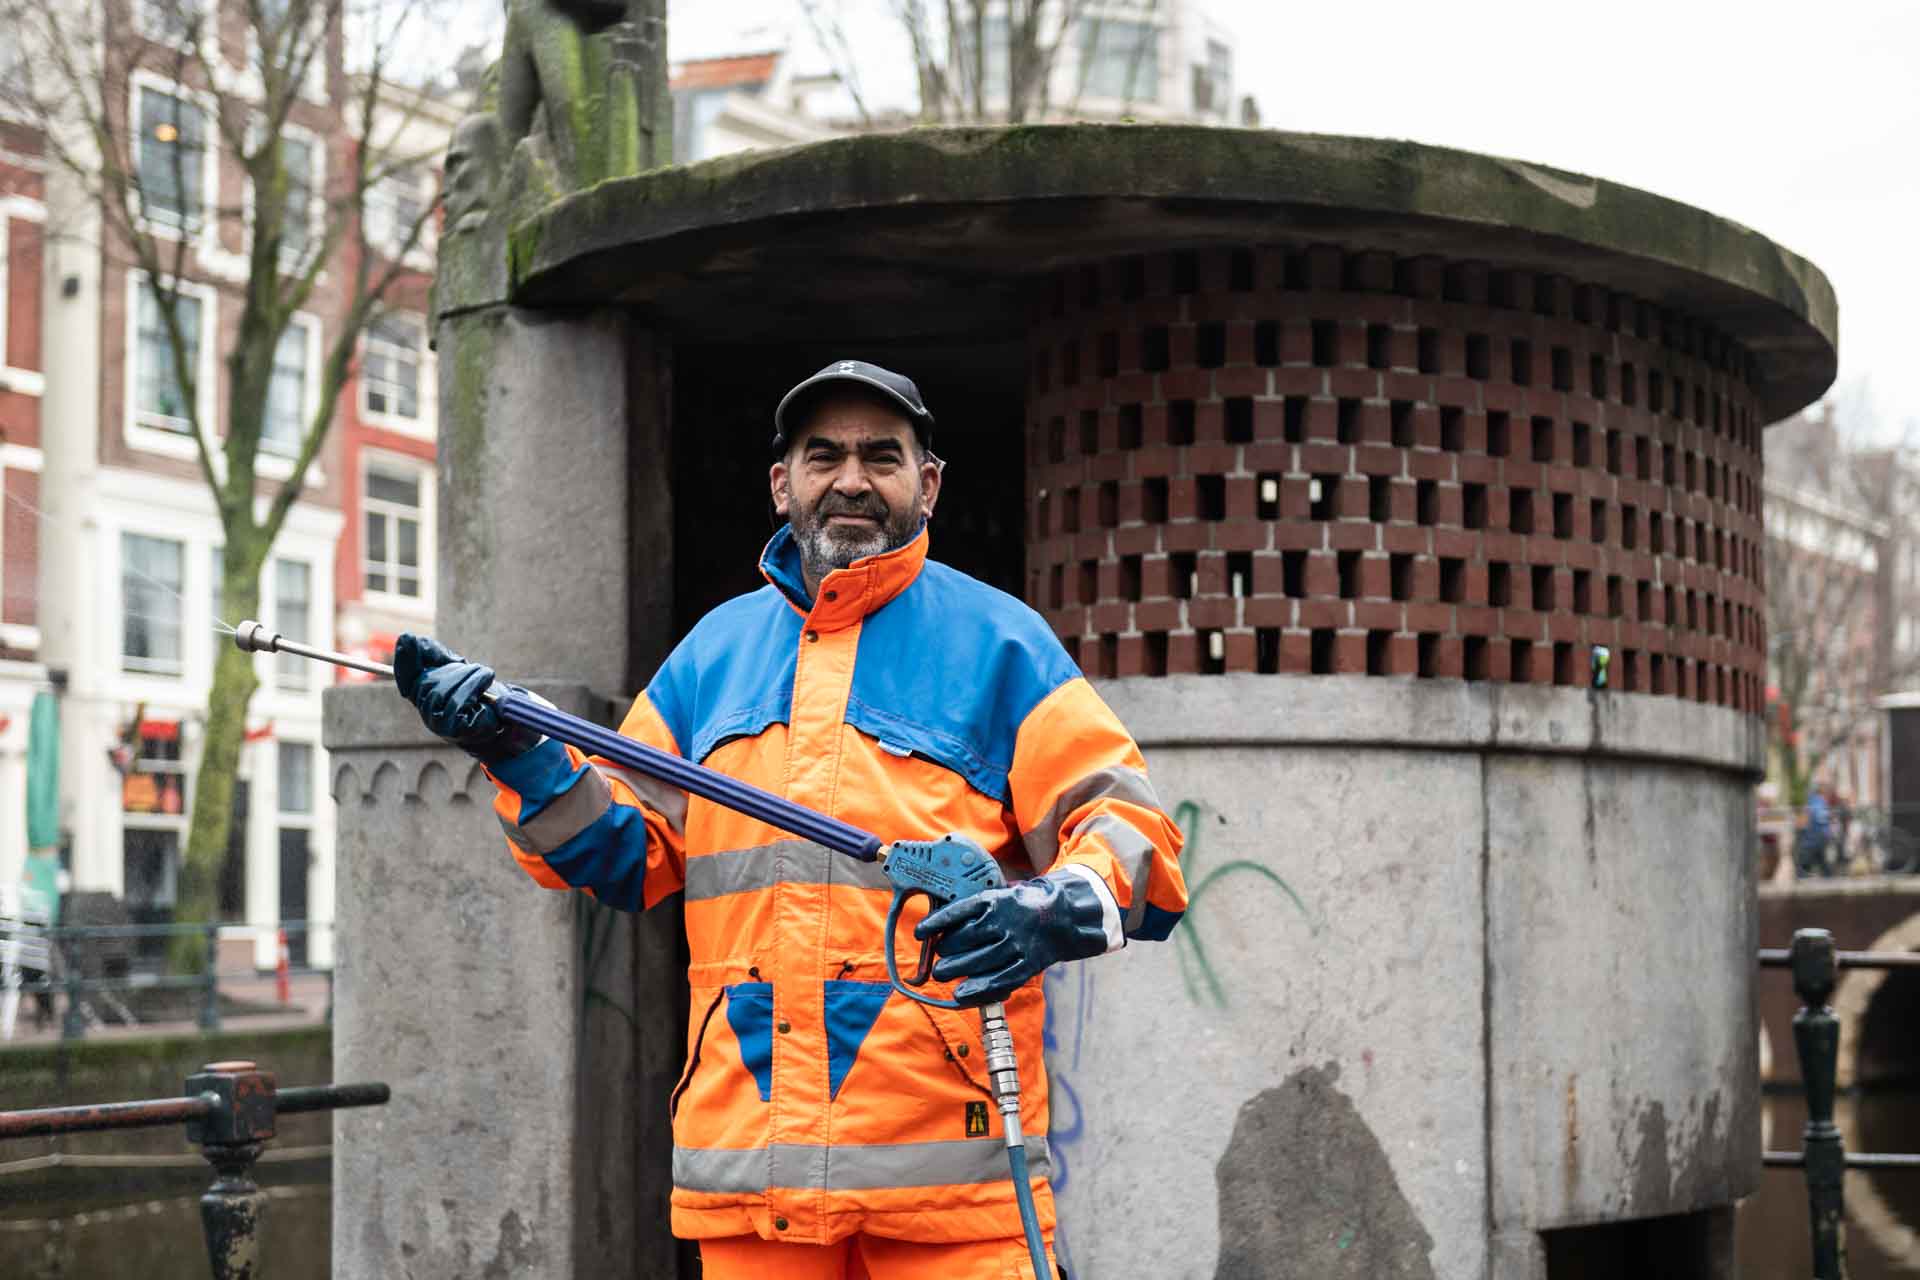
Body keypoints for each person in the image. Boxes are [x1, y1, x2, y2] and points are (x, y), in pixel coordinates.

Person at [396, 360, 1189, 1280]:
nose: (851, 478)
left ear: (927, 485)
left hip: (952, 1204)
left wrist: (1054, 908)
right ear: (784, 485)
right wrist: (518, 753)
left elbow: (1133, 831)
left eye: (881, 457)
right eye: (824, 456)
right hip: (751, 1191)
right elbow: (622, 855)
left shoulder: (1000, 642)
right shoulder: (709, 657)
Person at [1797, 784, 1832, 877]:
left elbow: (1804, 821)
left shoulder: (1812, 802)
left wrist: (1800, 826)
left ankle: (1802, 876)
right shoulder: (1823, 803)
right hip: (1823, 835)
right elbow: (1827, 819)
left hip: (1813, 837)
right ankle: (1828, 876)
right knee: (1822, 859)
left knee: (1804, 860)